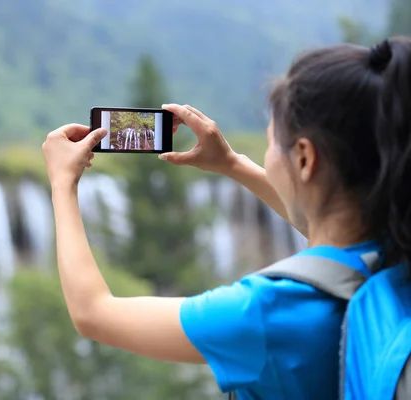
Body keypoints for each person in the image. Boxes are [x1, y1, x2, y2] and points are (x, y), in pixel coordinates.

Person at [41, 35, 411, 399]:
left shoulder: (263, 312)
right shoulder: (395, 254)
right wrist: (232, 164)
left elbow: (94, 315)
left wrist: (62, 184)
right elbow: (327, 231)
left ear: (303, 158)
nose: (267, 155)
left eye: (271, 144)